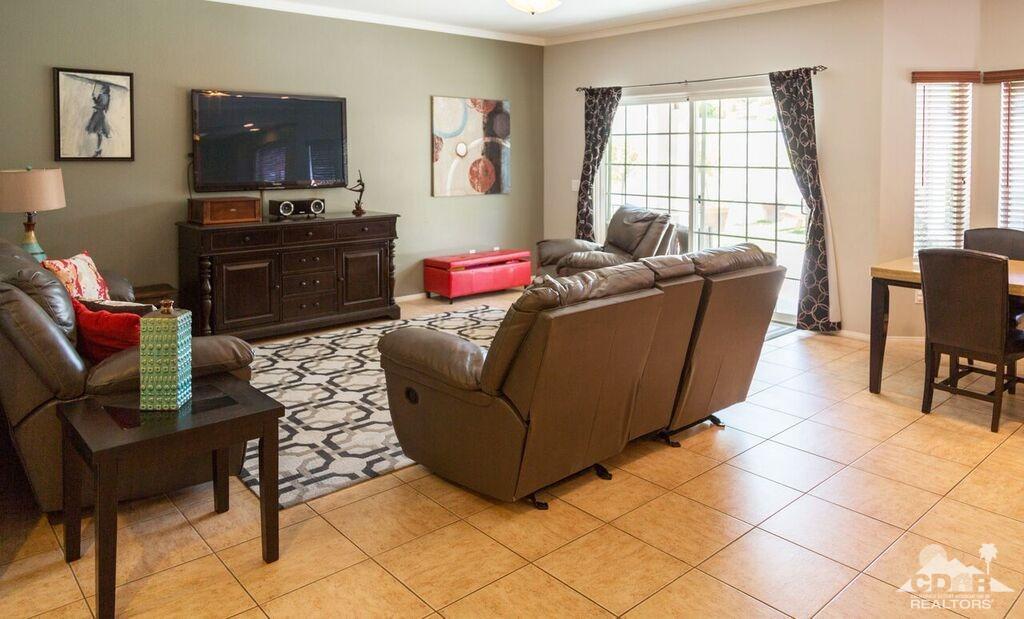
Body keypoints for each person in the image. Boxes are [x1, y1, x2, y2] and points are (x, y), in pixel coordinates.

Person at [85, 83, 111, 157]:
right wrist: (93, 97)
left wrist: (96, 106)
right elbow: (97, 103)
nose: (101, 89)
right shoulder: (102, 95)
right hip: (97, 114)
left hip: (99, 115)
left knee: (99, 132)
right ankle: (98, 149)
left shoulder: (105, 96)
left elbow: (102, 106)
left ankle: (98, 150)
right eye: (102, 87)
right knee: (98, 132)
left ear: (105, 89)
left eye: (103, 87)